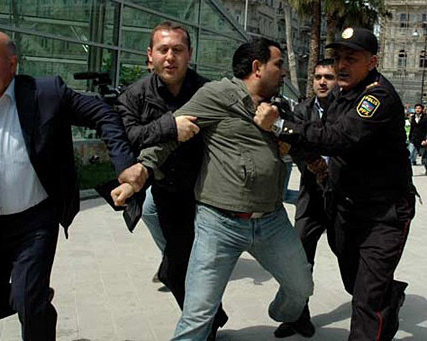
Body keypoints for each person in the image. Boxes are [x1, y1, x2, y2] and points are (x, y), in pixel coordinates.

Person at [0, 30, 146, 341]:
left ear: (12, 63)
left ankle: (33, 302)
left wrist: (125, 164)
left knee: (29, 304)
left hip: (34, 221)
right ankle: (37, 299)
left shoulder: (45, 94)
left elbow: (103, 113)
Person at [113, 38, 313, 340]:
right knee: (198, 315)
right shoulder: (217, 94)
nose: (284, 72)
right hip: (219, 224)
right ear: (257, 68)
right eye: (279, 64)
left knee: (302, 288)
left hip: (271, 221)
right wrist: (142, 169)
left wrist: (280, 129)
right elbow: (173, 132)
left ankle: (281, 313)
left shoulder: (279, 106)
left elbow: (301, 144)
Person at [255, 27, 415, 340]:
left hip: (384, 215)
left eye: (350, 58)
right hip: (346, 208)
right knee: (354, 282)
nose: (341, 65)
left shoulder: (377, 96)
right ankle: (389, 294)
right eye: (338, 57)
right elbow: (320, 134)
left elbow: (339, 137)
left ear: (372, 62)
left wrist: (279, 124)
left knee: (367, 300)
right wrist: (308, 157)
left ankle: (380, 305)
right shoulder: (344, 93)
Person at [115, 21, 228, 338]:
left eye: (177, 50)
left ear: (189, 54)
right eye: (162, 50)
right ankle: (209, 321)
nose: (170, 57)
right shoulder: (134, 96)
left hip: (210, 193)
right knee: (180, 267)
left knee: (202, 265)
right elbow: (129, 138)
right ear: (149, 55)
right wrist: (170, 127)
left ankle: (206, 320)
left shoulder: (209, 91)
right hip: (168, 192)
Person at [274, 58, 338, 338]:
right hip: (311, 196)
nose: (322, 82)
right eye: (317, 77)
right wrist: (313, 163)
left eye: (329, 77)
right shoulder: (301, 110)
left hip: (343, 198)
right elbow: (293, 145)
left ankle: (385, 298)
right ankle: (297, 316)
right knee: (299, 258)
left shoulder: (348, 109)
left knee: (353, 259)